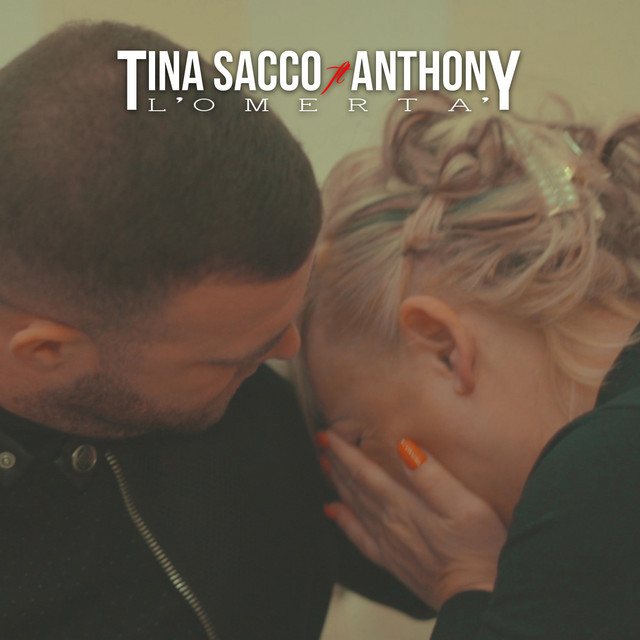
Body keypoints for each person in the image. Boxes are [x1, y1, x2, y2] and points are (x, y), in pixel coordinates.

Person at [0, 22, 428, 639]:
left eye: (291, 311)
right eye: (229, 358)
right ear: (48, 351)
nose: (289, 350)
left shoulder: (262, 413)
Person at [304, 92, 640, 638]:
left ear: (444, 347)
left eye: (359, 440)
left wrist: (467, 584)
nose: (375, 491)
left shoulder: (598, 472)